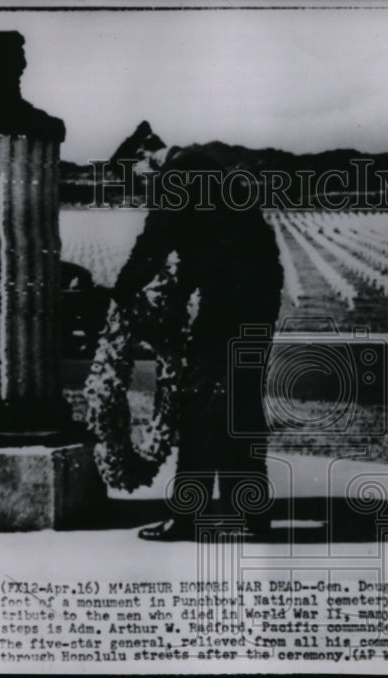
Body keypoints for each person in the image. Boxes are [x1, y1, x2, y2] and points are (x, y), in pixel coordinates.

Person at [110, 130, 283, 540]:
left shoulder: (180, 172)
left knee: (199, 403)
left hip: (230, 302)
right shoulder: (206, 167)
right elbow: (200, 247)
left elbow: (154, 242)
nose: (142, 190)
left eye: (136, 178)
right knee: (238, 405)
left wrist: (120, 294)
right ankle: (251, 514)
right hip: (255, 299)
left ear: (144, 158)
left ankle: (189, 518)